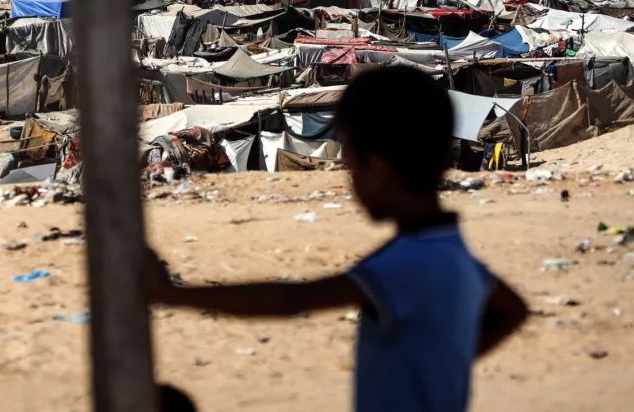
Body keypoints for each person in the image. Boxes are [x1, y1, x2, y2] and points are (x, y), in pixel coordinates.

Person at [145, 66, 527, 412]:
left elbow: (290, 299)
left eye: (350, 165)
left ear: (377, 168)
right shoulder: (452, 252)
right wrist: (443, 364)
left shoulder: (407, 263)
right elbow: (513, 310)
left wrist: (173, 295)